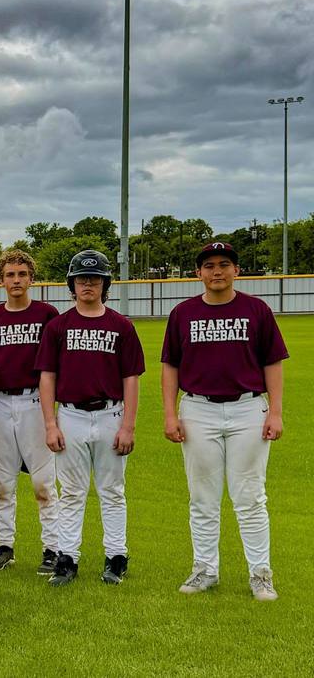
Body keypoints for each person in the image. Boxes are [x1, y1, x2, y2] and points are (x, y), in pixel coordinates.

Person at [161, 241, 287, 601]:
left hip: (248, 408)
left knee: (250, 498)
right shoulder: (183, 313)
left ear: (236, 270)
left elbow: (272, 363)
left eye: (224, 264)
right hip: (198, 409)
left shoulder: (256, 310)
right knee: (202, 498)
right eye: (210, 265)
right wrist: (171, 413)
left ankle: (260, 574)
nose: (217, 271)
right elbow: (170, 365)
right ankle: (205, 570)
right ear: (199, 273)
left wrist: (275, 411)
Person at [37, 250, 145, 587]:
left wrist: (128, 425)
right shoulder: (58, 326)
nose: (88, 284)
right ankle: (67, 559)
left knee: (112, 490)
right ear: (72, 284)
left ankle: (116, 557)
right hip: (70, 415)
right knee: (71, 491)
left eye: (94, 278)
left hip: (111, 413)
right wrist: (51, 423)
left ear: (104, 284)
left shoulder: (121, 326)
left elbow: (131, 378)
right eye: (82, 279)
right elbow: (47, 377)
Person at [0, 250, 60, 575]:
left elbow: (55, 366)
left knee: (43, 482)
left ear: (31, 279)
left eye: (22, 274)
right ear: (0, 280)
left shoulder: (46, 314)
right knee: (3, 482)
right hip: (1, 403)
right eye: (10, 275)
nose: (16, 280)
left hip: (34, 404)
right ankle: (5, 545)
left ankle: (52, 547)